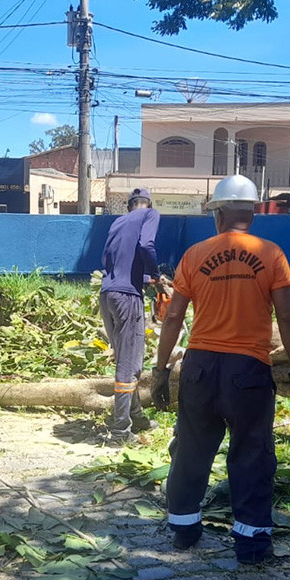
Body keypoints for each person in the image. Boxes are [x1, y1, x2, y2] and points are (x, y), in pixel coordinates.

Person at [149, 174, 290, 564]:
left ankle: (184, 531)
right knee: (251, 455)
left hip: (200, 366)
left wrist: (160, 370)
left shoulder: (194, 255)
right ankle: (252, 546)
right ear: (251, 213)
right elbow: (287, 318)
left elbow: (172, 318)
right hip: (248, 371)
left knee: (191, 450)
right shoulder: (271, 254)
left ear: (218, 214)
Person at [98, 187, 161, 442]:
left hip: (107, 294)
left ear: (129, 206)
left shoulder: (118, 222)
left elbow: (113, 261)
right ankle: (120, 430)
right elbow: (146, 244)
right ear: (147, 204)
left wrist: (145, 278)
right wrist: (155, 273)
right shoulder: (150, 215)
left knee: (128, 359)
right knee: (129, 365)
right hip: (127, 297)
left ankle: (137, 416)